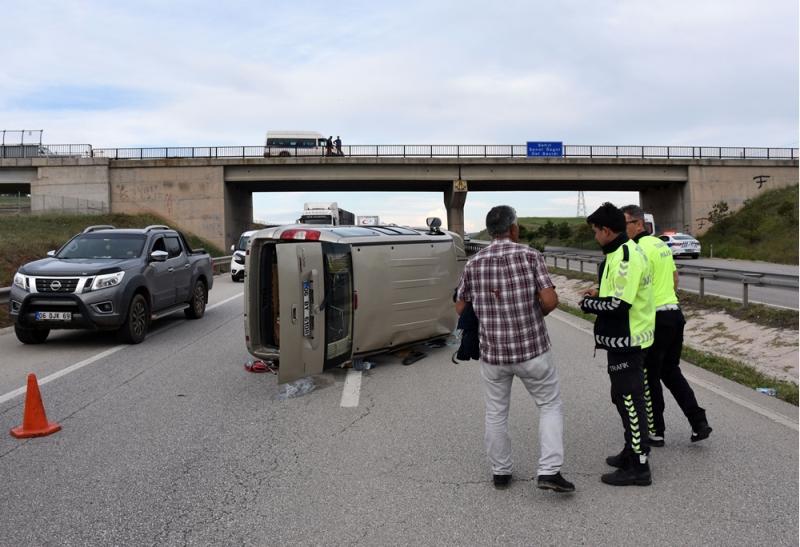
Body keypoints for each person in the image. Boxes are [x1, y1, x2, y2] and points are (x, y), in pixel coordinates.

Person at [456, 205, 574, 493]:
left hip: (493, 355)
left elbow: (461, 306)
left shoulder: (474, 263)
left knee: (496, 412)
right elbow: (549, 300)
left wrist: (487, 316)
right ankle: (548, 471)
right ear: (513, 228)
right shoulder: (530, 256)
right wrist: (534, 314)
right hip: (532, 350)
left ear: (491, 230)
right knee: (548, 405)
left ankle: (501, 472)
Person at [621, 205, 712, 445]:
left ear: (638, 224)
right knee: (671, 372)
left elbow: (632, 283)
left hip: (655, 319)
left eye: (625, 224)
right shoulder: (661, 245)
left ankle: (656, 430)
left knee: (650, 375)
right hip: (674, 314)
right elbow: (674, 278)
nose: (623, 230)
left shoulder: (636, 248)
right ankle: (698, 421)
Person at [580, 202, 655, 486]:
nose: (594, 236)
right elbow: (617, 290)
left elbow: (619, 304)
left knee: (630, 401)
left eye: (596, 231)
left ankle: (639, 465)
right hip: (625, 337)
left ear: (607, 230)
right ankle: (630, 451)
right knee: (622, 398)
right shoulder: (616, 252)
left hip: (629, 339)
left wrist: (588, 303)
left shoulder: (625, 255)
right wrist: (599, 291)